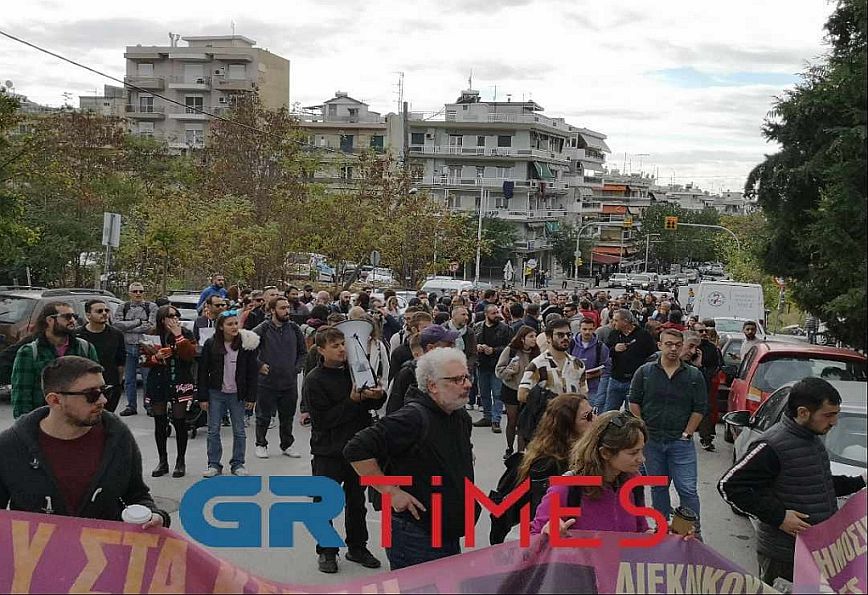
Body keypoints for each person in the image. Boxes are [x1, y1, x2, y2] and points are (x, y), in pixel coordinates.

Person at [718, 378, 867, 585]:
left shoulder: (811, 439)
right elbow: (729, 485)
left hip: (817, 551)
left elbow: (817, 484)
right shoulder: (772, 445)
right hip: (784, 557)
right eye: (828, 415)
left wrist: (860, 481)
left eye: (836, 414)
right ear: (803, 412)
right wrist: (779, 517)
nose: (834, 422)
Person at [0, 356, 170, 527]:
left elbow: (137, 494)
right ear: (55, 400)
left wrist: (154, 515)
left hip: (103, 551)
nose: (103, 400)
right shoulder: (11, 446)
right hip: (36, 551)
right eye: (91, 395)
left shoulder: (117, 435)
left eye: (105, 390)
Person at [345, 348, 474, 570]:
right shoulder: (412, 417)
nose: (467, 384)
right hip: (415, 534)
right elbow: (356, 449)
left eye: (467, 377)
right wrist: (390, 491)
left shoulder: (457, 415)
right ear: (432, 386)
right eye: (457, 379)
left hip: (446, 529)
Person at [304, 326, 384, 574]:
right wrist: (352, 400)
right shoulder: (314, 380)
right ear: (321, 350)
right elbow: (323, 421)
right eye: (335, 345)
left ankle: (358, 547)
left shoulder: (358, 368)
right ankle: (327, 550)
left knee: (357, 501)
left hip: (358, 448)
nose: (341, 349)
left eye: (343, 344)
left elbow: (374, 402)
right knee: (324, 503)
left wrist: (377, 395)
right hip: (328, 451)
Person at [628, 328, 706, 538]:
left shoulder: (693, 375)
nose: (673, 348)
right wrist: (642, 428)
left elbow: (700, 408)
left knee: (687, 488)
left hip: (680, 443)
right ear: (660, 345)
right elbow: (633, 401)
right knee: (658, 487)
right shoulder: (645, 372)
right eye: (669, 344)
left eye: (677, 345)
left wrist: (687, 434)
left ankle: (691, 531)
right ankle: (662, 529)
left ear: (682, 347)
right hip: (652, 442)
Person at [531, 411, 649, 536]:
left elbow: (641, 529)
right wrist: (546, 532)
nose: (642, 459)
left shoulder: (633, 484)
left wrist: (656, 536)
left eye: (642, 450)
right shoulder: (566, 489)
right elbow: (531, 539)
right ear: (605, 453)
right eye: (633, 453)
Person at [197, 310, 260, 477]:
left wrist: (251, 397)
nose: (234, 327)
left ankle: (238, 463)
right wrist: (202, 396)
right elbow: (202, 371)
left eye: (236, 323)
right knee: (213, 430)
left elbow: (252, 373)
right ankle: (214, 464)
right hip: (216, 392)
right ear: (220, 327)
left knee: (239, 430)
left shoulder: (246, 345)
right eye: (229, 324)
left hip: (237, 394)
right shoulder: (211, 344)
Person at [11, 302, 99, 419]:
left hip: (78, 420)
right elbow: (22, 396)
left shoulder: (85, 348)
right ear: (50, 320)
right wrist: (25, 427)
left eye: (74, 316)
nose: (73, 320)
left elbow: (96, 387)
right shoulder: (29, 352)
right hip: (44, 422)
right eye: (67, 316)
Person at [517, 394, 595, 521]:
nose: (596, 420)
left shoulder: (588, 453)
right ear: (568, 426)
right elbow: (541, 515)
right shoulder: (547, 465)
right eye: (588, 417)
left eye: (594, 412)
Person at [141, 305, 197, 478]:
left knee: (180, 422)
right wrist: (155, 357)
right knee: (160, 422)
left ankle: (180, 461)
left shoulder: (186, 333)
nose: (174, 318)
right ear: (162, 319)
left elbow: (191, 355)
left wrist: (178, 336)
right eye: (170, 316)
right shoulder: (152, 333)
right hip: (159, 380)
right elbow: (142, 359)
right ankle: (162, 461)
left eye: (176, 315)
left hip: (180, 379)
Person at [252, 296, 307, 459]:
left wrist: (296, 368)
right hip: (267, 382)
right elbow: (247, 349)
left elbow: (303, 352)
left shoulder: (294, 328)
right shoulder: (263, 328)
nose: (286, 311)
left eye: (287, 308)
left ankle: (287, 444)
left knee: (287, 416)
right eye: (282, 308)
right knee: (263, 416)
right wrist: (259, 365)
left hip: (288, 382)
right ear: (272, 310)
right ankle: (261, 444)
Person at [387, 325, 458, 414]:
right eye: (449, 345)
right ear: (431, 348)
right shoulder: (409, 373)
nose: (453, 348)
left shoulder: (450, 371)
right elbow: (395, 408)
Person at [496, 325, 541, 457]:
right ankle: (509, 448)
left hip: (528, 391)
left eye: (535, 336)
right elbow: (499, 371)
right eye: (531, 336)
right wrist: (511, 371)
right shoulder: (510, 350)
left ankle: (521, 454)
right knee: (512, 420)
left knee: (524, 423)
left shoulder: (537, 353)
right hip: (511, 389)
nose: (534, 339)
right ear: (522, 339)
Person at [114, 282, 158, 416]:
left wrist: (128, 326)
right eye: (135, 291)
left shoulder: (151, 307)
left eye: (140, 291)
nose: (138, 294)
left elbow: (151, 326)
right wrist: (138, 322)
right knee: (129, 379)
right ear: (129, 293)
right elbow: (116, 325)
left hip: (145, 347)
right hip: (127, 347)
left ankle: (148, 404)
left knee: (147, 378)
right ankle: (131, 406)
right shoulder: (123, 307)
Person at [603, 309, 657, 412]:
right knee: (609, 412)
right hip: (615, 379)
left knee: (631, 415)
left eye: (616, 320)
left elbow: (653, 355)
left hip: (634, 382)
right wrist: (614, 349)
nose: (613, 323)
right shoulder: (614, 334)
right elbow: (605, 352)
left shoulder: (643, 335)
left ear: (626, 321)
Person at [77, 299, 125, 412]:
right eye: (99, 311)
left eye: (106, 310)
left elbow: (121, 363)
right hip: (84, 388)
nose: (104, 313)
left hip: (109, 386)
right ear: (88, 315)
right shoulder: (77, 335)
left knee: (105, 422)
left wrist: (118, 385)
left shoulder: (116, 335)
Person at [473, 304, 513, 433]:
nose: (496, 315)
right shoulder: (478, 327)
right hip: (482, 364)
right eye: (493, 313)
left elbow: (510, 347)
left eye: (497, 312)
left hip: (497, 365)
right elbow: (472, 343)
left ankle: (496, 420)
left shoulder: (505, 329)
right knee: (484, 392)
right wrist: (478, 347)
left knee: (497, 393)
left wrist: (494, 351)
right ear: (486, 314)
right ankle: (487, 416)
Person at [569, 318, 611, 412]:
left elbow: (607, 368)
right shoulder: (570, 344)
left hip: (593, 388)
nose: (587, 332)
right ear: (579, 328)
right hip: (573, 387)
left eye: (590, 329)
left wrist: (595, 374)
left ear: (594, 329)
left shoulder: (600, 347)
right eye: (584, 329)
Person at [693, 321, 723, 452]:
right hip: (685, 384)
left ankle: (706, 438)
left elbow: (716, 366)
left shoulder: (711, 348)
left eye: (705, 331)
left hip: (705, 383)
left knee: (705, 410)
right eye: (700, 331)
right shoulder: (686, 346)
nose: (704, 333)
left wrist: (703, 371)